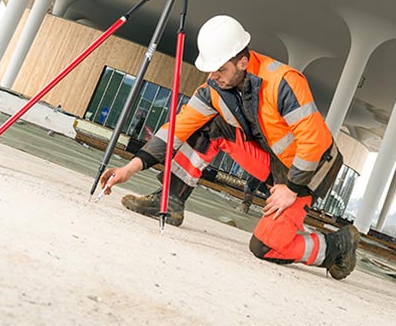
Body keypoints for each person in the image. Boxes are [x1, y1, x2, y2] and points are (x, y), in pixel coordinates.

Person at [99, 15, 359, 280]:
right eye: (210, 69)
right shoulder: (214, 89)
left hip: (309, 171)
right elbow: (178, 128)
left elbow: (313, 141)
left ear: (242, 61)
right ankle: (170, 199)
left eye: (220, 69)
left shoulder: (283, 82)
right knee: (209, 127)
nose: (213, 76)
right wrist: (130, 167)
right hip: (273, 163)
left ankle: (337, 246)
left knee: (266, 246)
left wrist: (291, 189)